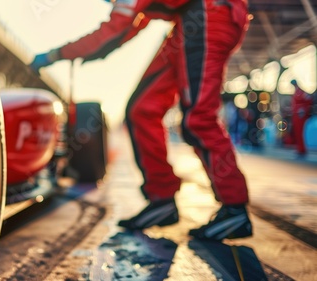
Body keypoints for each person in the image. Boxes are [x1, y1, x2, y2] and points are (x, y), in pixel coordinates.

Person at [30, 0, 252, 240]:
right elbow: (129, 26)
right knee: (142, 109)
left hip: (210, 15)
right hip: (191, 19)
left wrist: (55, 54)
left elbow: (113, 31)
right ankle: (162, 199)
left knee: (199, 118)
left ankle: (234, 208)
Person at [290, 79, 313, 156]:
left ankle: (302, 148)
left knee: (300, 131)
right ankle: (299, 148)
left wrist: (303, 109)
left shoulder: (301, 92)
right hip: (296, 114)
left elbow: (309, 100)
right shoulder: (296, 92)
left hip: (300, 115)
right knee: (297, 132)